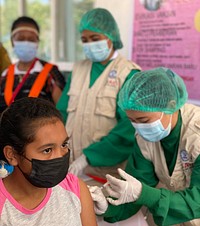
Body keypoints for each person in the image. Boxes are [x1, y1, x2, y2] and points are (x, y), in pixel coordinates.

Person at [89, 67, 200, 226]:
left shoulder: (197, 135)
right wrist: (109, 206)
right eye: (132, 121)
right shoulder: (146, 138)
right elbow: (134, 185)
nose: (138, 127)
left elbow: (198, 199)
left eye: (143, 120)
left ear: (171, 105)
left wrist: (143, 193)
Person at [0, 97, 109, 226]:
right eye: (47, 150)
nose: (60, 156)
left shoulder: (75, 188)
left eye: (64, 144)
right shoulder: (3, 210)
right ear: (12, 155)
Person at [56, 7, 141, 180]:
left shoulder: (128, 73)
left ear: (110, 37)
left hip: (106, 173)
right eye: (84, 40)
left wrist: (88, 157)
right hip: (70, 167)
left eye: (95, 39)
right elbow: (61, 113)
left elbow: (128, 129)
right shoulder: (79, 69)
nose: (89, 44)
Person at [0, 16, 66, 114]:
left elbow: (62, 111)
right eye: (21, 39)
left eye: (31, 39)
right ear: (12, 42)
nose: (26, 42)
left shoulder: (51, 73)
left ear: (37, 43)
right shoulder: (5, 74)